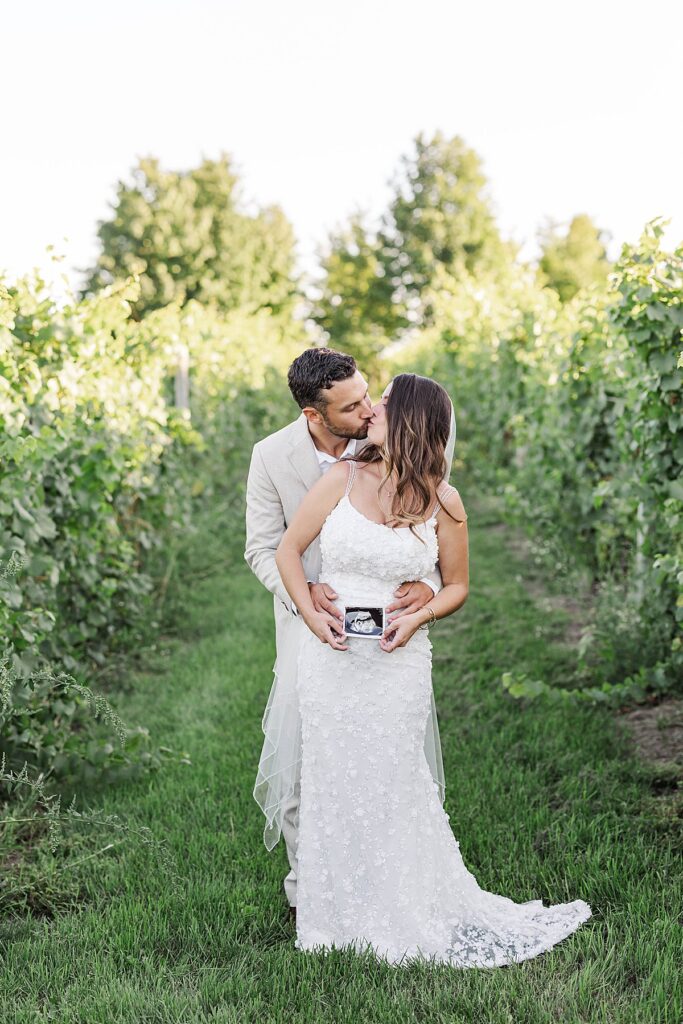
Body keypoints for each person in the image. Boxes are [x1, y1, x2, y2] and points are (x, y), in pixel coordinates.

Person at [274, 371, 593, 968]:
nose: (372, 411)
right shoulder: (341, 479)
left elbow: (458, 586)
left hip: (397, 662)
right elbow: (288, 550)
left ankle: (404, 905)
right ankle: (334, 918)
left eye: (385, 405)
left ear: (413, 421)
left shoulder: (444, 500)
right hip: (334, 658)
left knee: (392, 778)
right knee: (334, 780)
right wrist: (311, 613)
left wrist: (419, 614)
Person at [244, 348, 456, 919]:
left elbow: (423, 532)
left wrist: (430, 588)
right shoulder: (272, 457)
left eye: (369, 396)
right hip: (311, 623)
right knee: (302, 760)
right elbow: (265, 547)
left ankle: (388, 882)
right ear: (317, 415)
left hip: (388, 633)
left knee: (385, 759)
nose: (367, 409)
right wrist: (304, 596)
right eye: (353, 405)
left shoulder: (396, 444)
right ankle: (312, 890)